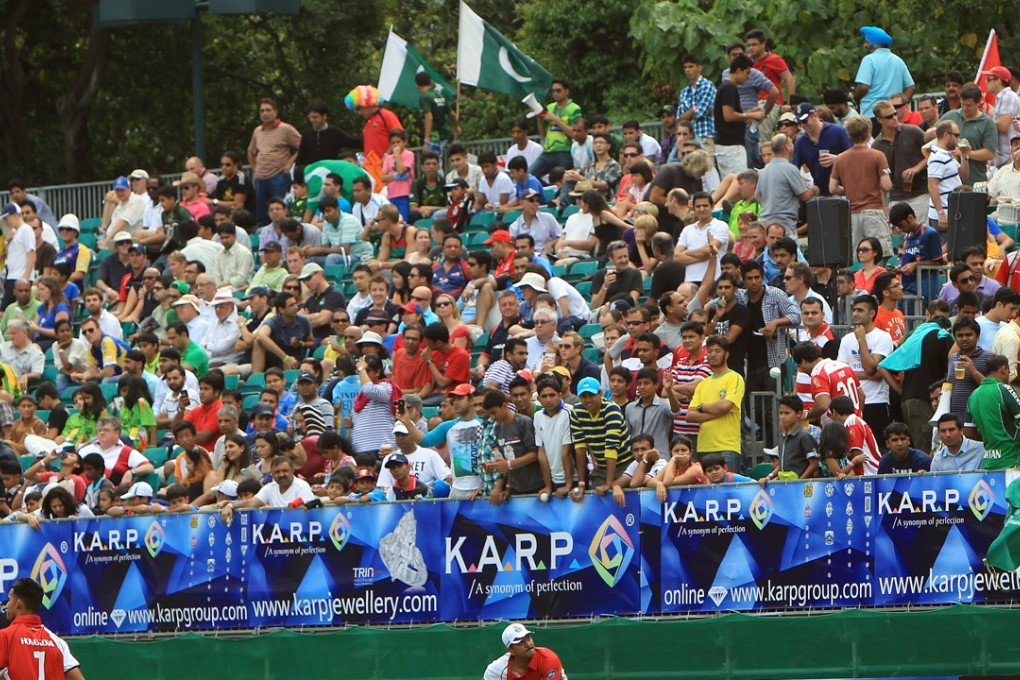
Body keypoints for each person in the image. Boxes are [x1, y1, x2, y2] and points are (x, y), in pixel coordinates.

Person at [0, 578, 85, 679]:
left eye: (9, 600)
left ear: (19, 603)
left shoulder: (5, 636)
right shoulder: (57, 642)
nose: (6, 606)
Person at [854, 26, 914, 128]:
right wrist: (902, 106)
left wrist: (856, 98)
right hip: (893, 115)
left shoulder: (869, 60)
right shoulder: (898, 60)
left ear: (874, 43)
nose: (865, 45)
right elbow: (911, 87)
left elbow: (864, 86)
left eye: (867, 42)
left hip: (872, 114)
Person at [968, 353, 1020, 469]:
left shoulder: (972, 396)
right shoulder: (1004, 389)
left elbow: (968, 433)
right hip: (1013, 461)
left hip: (989, 463)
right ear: (1004, 369)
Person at [762, 395, 819, 480]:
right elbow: (782, 464)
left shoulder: (804, 436)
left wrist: (800, 481)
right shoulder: (782, 436)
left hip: (800, 488)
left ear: (798, 413)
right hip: (785, 486)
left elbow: (814, 464)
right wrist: (769, 477)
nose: (783, 417)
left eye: (787, 413)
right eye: (781, 413)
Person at [482, 623, 565, 680]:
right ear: (511, 650)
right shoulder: (497, 669)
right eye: (520, 642)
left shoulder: (547, 658)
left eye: (528, 638)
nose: (528, 644)